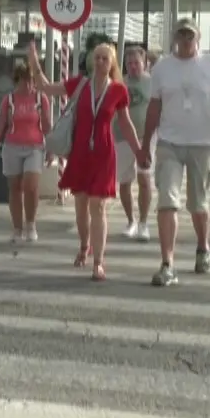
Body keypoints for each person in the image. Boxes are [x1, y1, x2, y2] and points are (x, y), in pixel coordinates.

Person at [28, 40, 146, 282]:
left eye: (105, 58)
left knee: (98, 206)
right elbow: (45, 87)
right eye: (97, 57)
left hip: (103, 153)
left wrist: (139, 150)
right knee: (81, 206)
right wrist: (34, 61)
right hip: (81, 153)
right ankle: (84, 246)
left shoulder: (118, 90)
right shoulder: (81, 85)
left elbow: (125, 123)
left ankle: (99, 262)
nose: (100, 61)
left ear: (113, 62)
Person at [140, 19, 210, 287]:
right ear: (174, 38)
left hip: (203, 142)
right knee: (167, 200)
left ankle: (203, 247)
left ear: (198, 38)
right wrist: (145, 144)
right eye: (181, 35)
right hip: (169, 142)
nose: (185, 40)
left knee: (197, 203)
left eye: (190, 35)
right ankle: (167, 263)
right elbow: (153, 108)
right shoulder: (161, 67)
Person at [0, 62, 50, 243]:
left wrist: (51, 147)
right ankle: (17, 228)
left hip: (35, 147)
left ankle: (31, 224)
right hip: (12, 146)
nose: (29, 85)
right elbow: (0, 124)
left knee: (31, 184)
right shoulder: (10, 100)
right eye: (25, 81)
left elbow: (46, 124)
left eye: (31, 81)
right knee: (14, 188)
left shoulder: (40, 98)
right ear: (17, 80)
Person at [117, 47, 155, 242]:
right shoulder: (119, 83)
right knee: (124, 181)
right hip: (122, 137)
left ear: (145, 63)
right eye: (129, 63)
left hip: (145, 137)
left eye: (136, 63)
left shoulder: (153, 83)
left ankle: (143, 223)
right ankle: (130, 221)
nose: (132, 67)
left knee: (144, 178)